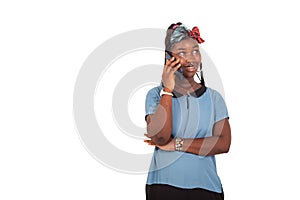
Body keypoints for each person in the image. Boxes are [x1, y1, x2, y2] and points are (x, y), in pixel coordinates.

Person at [144, 22, 231, 200]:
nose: (191, 58)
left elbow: (223, 144)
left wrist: (176, 144)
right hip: (163, 186)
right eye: (182, 52)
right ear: (169, 57)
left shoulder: (214, 98)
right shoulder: (155, 96)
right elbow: (160, 138)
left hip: (207, 188)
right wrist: (167, 90)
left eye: (195, 50)